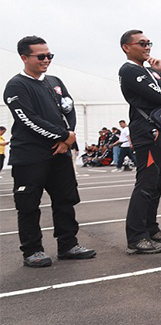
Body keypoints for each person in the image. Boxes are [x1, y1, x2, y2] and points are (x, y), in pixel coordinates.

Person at [5, 35, 96, 267]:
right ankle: (32, 250)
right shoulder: (16, 86)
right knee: (28, 206)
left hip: (59, 154)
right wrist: (63, 135)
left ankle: (68, 245)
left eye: (49, 56)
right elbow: (28, 120)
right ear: (24, 58)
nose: (47, 60)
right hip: (30, 157)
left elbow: (69, 109)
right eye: (41, 56)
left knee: (65, 201)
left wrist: (68, 138)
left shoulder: (54, 81)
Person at [119, 29, 161, 254]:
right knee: (145, 184)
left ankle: (151, 228)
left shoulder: (150, 72)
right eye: (142, 43)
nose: (147, 47)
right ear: (127, 47)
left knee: (158, 183)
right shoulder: (129, 71)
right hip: (146, 133)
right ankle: (137, 237)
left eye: (149, 43)